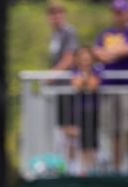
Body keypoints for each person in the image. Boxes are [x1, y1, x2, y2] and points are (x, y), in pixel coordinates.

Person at [93, 0, 128, 174]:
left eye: (121, 12)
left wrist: (109, 53)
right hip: (109, 88)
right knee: (113, 129)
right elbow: (96, 53)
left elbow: (127, 50)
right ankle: (117, 166)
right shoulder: (107, 33)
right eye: (115, 12)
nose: (118, 16)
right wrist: (111, 53)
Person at [45, 3, 81, 168]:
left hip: (67, 86)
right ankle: (66, 161)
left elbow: (69, 58)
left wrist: (52, 75)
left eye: (58, 13)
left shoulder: (69, 32)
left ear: (64, 15)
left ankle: (74, 162)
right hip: (58, 89)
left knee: (71, 125)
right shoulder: (56, 35)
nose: (55, 17)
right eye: (52, 14)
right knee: (63, 126)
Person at [70, 47, 102, 175]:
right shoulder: (74, 72)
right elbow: (76, 85)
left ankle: (91, 169)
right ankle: (83, 169)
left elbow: (94, 85)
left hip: (93, 110)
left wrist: (85, 80)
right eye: (82, 59)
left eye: (88, 59)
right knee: (81, 141)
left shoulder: (97, 71)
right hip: (79, 110)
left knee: (92, 141)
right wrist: (84, 82)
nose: (85, 62)